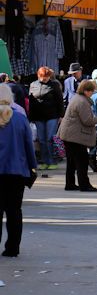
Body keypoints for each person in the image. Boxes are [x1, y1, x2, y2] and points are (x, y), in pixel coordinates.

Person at [0, 84, 37, 257]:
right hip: (17, 171)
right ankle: (12, 248)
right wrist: (32, 167)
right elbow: (29, 146)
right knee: (14, 211)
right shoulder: (20, 119)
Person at [58, 80, 97, 192]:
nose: (93, 93)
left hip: (69, 134)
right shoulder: (82, 102)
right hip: (75, 136)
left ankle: (70, 184)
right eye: (91, 91)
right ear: (86, 91)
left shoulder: (77, 98)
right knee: (82, 161)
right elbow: (88, 121)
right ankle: (84, 185)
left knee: (71, 162)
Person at [28, 67, 63, 170]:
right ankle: (44, 161)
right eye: (43, 77)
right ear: (38, 75)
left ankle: (52, 161)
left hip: (52, 116)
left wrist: (61, 115)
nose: (45, 79)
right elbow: (31, 102)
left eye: (47, 77)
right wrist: (31, 117)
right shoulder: (33, 85)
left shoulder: (54, 85)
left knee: (49, 138)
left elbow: (60, 100)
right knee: (41, 139)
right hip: (38, 116)